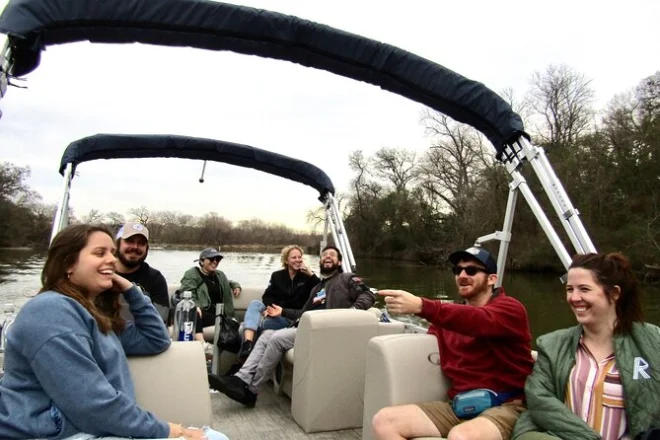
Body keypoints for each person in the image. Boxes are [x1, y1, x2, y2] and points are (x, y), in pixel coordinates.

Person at [0, 224, 226, 440]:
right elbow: (91, 405)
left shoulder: (95, 317)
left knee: (215, 437)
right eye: (100, 253)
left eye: (111, 253)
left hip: (96, 427)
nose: (111, 259)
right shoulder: (51, 312)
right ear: (68, 264)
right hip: (53, 433)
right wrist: (168, 430)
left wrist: (130, 289)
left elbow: (157, 340)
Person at [372, 246, 534, 440]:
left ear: (492, 279)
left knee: (461, 436)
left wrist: (421, 306)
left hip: (507, 406)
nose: (462, 275)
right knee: (384, 421)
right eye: (458, 270)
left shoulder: (510, 309)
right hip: (460, 405)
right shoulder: (447, 321)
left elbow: (476, 320)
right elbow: (452, 321)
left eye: (471, 270)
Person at [512, 252, 660, 440]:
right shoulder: (552, 345)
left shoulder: (653, 341)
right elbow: (539, 398)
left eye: (584, 289)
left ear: (614, 293)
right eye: (569, 289)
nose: (574, 298)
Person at [208, 245, 375, 407]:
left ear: (339, 262)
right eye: (324, 255)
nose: (327, 257)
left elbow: (368, 295)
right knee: (266, 335)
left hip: (326, 330)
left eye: (332, 255)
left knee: (276, 338)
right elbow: (301, 313)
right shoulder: (317, 288)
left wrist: (350, 314)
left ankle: (252, 390)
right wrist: (282, 311)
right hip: (304, 327)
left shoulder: (347, 279)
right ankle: (241, 379)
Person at [238, 244, 319, 362]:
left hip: (289, 317)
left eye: (299, 257)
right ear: (286, 260)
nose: (298, 260)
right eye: (294, 257)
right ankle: (247, 345)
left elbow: (321, 289)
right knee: (255, 303)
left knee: (243, 328)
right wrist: (269, 308)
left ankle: (242, 360)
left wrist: (311, 274)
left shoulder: (308, 277)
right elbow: (267, 296)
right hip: (274, 313)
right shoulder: (277, 276)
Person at [114, 222, 170, 322]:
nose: (135, 247)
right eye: (129, 241)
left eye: (141, 243)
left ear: (147, 248)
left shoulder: (155, 278)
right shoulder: (102, 274)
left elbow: (160, 320)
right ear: (117, 244)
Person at [179, 247, 242, 333]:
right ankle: (201, 340)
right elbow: (187, 293)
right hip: (204, 313)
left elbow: (228, 282)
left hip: (221, 314)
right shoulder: (192, 274)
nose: (215, 262)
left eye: (218, 259)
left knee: (233, 324)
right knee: (197, 314)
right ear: (202, 261)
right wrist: (196, 306)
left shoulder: (219, 275)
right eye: (212, 259)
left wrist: (236, 286)